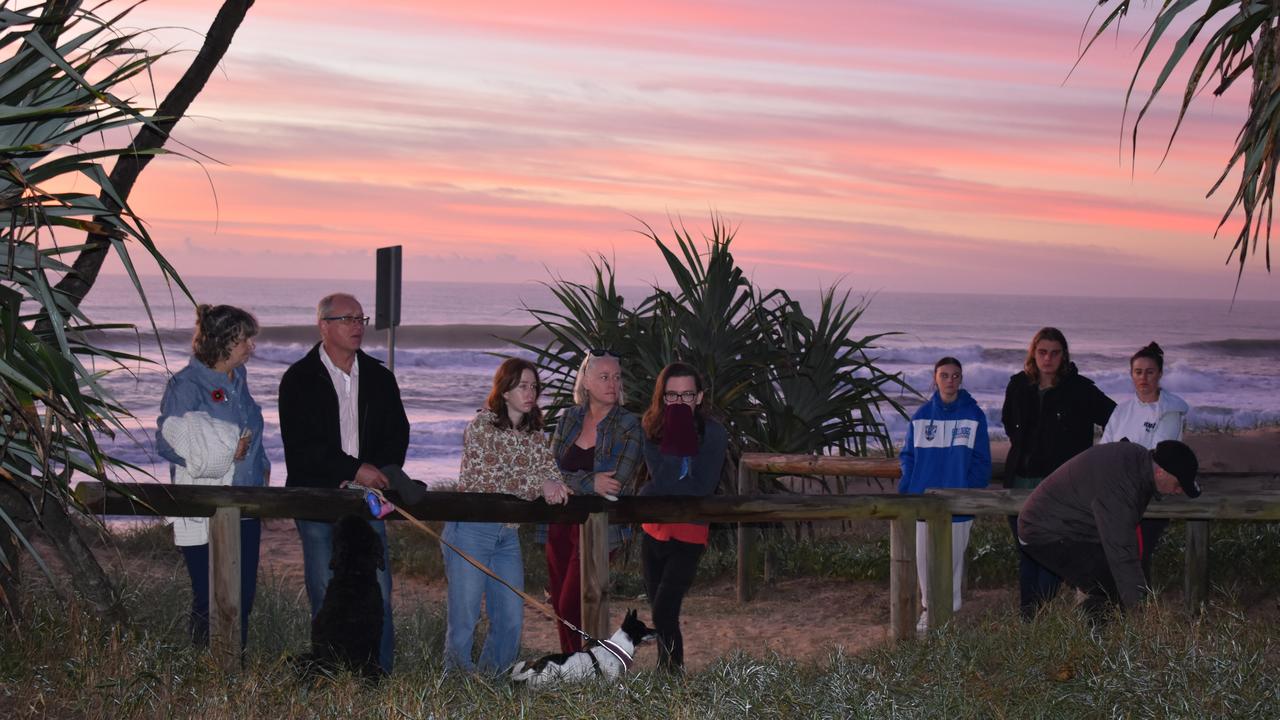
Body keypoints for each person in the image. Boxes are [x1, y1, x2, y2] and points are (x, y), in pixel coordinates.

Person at [278, 293, 409, 674]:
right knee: (325, 592)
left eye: (360, 318)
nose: (357, 326)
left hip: (368, 500)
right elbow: (302, 447)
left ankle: (378, 675)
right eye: (347, 319)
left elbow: (397, 434)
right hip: (318, 499)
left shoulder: (380, 377)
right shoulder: (300, 379)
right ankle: (329, 673)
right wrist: (354, 469)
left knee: (379, 594)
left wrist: (379, 473)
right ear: (324, 326)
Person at [443, 358, 571, 674]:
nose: (530, 393)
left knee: (510, 617)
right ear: (505, 390)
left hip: (507, 535)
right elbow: (492, 481)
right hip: (472, 531)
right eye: (523, 386)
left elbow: (551, 473)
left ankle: (492, 680)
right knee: (465, 617)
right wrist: (540, 484)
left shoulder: (534, 434)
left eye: (534, 387)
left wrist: (550, 483)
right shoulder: (482, 427)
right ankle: (456, 680)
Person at [156, 304, 268, 648]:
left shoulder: (239, 378)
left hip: (247, 502)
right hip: (206, 504)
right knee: (209, 594)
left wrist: (261, 470)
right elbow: (166, 441)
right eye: (245, 339)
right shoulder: (187, 385)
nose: (252, 346)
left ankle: (235, 669)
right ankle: (205, 671)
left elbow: (251, 433)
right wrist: (220, 454)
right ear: (222, 342)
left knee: (242, 595)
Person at [1002, 327, 1115, 619]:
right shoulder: (1017, 386)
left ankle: (1039, 613)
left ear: (1063, 355)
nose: (1048, 358)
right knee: (1026, 549)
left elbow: (1116, 420)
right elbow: (1008, 424)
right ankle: (1029, 617)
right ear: (1033, 354)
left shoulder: (1079, 389)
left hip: (1061, 487)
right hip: (1020, 480)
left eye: (1054, 353)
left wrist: (1095, 461)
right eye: (1042, 352)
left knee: (1051, 551)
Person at [1018, 440, 1200, 618]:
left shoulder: (1137, 461)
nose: (1178, 492)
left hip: (1074, 526)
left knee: (1116, 580)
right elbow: (1122, 553)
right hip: (1044, 529)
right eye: (1178, 485)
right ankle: (1094, 638)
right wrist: (1142, 615)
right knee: (1109, 585)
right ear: (1161, 473)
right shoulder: (1122, 486)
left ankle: (1096, 632)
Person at [545, 349, 643, 654]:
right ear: (585, 381)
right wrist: (591, 481)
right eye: (603, 377)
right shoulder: (568, 418)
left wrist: (568, 480)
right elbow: (548, 470)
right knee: (560, 601)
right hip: (558, 523)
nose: (612, 383)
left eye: (616, 377)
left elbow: (617, 481)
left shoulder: (628, 424)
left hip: (599, 529)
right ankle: (573, 662)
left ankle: (581, 662)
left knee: (570, 600)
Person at [639, 362, 727, 671]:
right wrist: (676, 430)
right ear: (663, 398)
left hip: (690, 531)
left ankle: (671, 677)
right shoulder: (651, 428)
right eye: (672, 396)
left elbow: (702, 487)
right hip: (654, 529)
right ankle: (669, 672)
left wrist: (680, 437)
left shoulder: (714, 433)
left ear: (699, 397)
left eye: (686, 395)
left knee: (664, 609)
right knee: (661, 612)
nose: (679, 403)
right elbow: (663, 482)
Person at [898, 356, 991, 632]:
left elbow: (981, 461)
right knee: (925, 562)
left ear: (961, 379)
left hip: (958, 505)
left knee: (951, 562)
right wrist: (911, 486)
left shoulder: (974, 415)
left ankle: (947, 615)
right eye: (944, 375)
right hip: (924, 503)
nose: (950, 381)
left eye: (955, 376)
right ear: (935, 378)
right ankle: (929, 612)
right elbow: (908, 456)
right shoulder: (921, 416)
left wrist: (967, 489)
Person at [1101, 342, 1189, 580]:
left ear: (1160, 374)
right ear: (1131, 375)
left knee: (1138, 556)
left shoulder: (1170, 411)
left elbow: (1159, 455)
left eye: (1149, 372)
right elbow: (1105, 447)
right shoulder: (1122, 410)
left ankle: (1141, 611)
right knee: (1116, 555)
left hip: (1150, 495)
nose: (1144, 378)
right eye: (1138, 372)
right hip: (1118, 494)